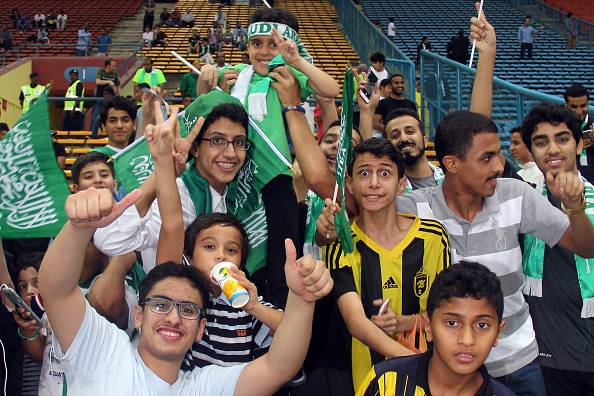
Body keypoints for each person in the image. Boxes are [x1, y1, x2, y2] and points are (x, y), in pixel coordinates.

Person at [37, 181, 333, 395]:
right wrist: (78, 229)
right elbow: (56, 292)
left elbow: (279, 367)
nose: (174, 317)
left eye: (188, 309)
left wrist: (302, 299)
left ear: (201, 327)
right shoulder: (103, 352)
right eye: (161, 305)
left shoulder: (204, 386)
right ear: (138, 315)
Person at [319, 138, 451, 391]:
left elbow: (445, 313)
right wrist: (415, 363)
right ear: (350, 183)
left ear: (401, 184)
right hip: (372, 381)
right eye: (364, 173)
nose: (374, 183)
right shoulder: (341, 246)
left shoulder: (434, 237)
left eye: (385, 173)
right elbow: (356, 322)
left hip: (430, 378)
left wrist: (403, 323)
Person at [520, 104, 594, 396]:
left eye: (562, 139)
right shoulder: (523, 204)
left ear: (579, 144)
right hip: (544, 359)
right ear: (531, 151)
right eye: (541, 142)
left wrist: (575, 209)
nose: (552, 149)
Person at [357, 262, 513, 396]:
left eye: (482, 325)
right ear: (428, 327)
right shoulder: (386, 383)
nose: (467, 340)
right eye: (452, 323)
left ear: (498, 333)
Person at [10, 252, 66, 395]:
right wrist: (26, 329)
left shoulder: (63, 313)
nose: (29, 291)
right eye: (23, 286)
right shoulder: (21, 319)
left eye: (36, 283)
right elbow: (36, 353)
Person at [383, 108, 444, 191]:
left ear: (425, 140)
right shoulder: (386, 187)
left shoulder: (449, 179)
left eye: (410, 131)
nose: (404, 138)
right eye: (395, 135)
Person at [564, 84, 593, 183]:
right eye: (574, 107)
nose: (579, 111)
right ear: (566, 105)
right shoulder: (559, 127)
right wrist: (574, 149)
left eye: (583, 106)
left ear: (588, 104)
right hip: (569, 181)